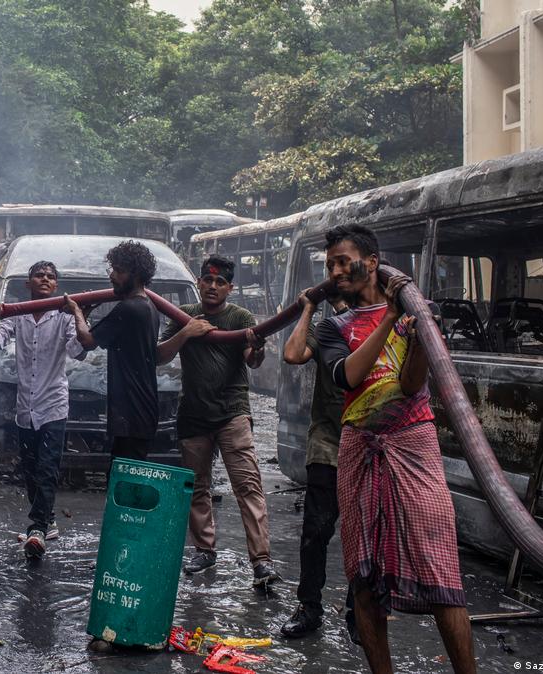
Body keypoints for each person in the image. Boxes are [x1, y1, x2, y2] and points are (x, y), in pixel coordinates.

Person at [314, 224, 475, 673]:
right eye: (330, 264)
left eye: (345, 260)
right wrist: (389, 320)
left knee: (440, 568)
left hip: (414, 442)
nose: (337, 270)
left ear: (372, 259)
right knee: (363, 577)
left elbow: (411, 384)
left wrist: (422, 331)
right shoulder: (333, 327)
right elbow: (347, 377)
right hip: (358, 448)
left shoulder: (418, 312)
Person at [156, 256, 280, 588]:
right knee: (197, 486)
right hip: (194, 414)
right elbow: (159, 355)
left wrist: (257, 349)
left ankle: (262, 561)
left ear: (230, 288)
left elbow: (252, 361)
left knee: (248, 485)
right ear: (199, 282)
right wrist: (187, 332)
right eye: (208, 280)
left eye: (220, 282)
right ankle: (204, 550)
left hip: (232, 412)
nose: (212, 286)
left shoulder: (239, 316)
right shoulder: (185, 316)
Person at [0, 260, 85, 558]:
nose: (45, 279)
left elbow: (78, 351)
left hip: (53, 405)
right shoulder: (17, 313)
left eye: (50, 276)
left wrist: (78, 314)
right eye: (39, 275)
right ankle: (48, 520)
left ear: (55, 285)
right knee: (30, 470)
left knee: (47, 469)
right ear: (28, 283)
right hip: (26, 407)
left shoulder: (63, 317)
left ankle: (37, 529)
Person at [280, 287, 351, 638]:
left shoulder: (379, 322)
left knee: (364, 536)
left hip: (369, 447)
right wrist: (309, 308)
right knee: (315, 532)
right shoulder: (326, 327)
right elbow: (292, 354)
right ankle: (309, 607)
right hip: (328, 444)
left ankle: (359, 609)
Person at [66, 240, 159, 461]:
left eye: (118, 271)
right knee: (125, 477)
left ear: (135, 274)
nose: (112, 276)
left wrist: (76, 310)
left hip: (132, 411)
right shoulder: (148, 306)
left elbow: (87, 341)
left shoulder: (129, 308)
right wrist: (84, 315)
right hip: (139, 410)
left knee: (124, 480)